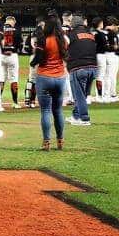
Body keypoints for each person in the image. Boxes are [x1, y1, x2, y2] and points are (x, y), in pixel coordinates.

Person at [32, 13, 68, 149]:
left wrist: (32, 63)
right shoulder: (63, 40)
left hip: (45, 77)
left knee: (46, 111)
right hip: (60, 77)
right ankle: (60, 141)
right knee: (58, 110)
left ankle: (46, 142)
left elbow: (38, 58)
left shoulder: (44, 39)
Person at [65, 17, 99, 126]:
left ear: (73, 25)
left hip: (78, 68)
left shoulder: (71, 34)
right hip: (93, 68)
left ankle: (84, 118)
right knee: (82, 95)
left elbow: (63, 49)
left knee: (78, 95)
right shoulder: (90, 35)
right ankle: (76, 116)